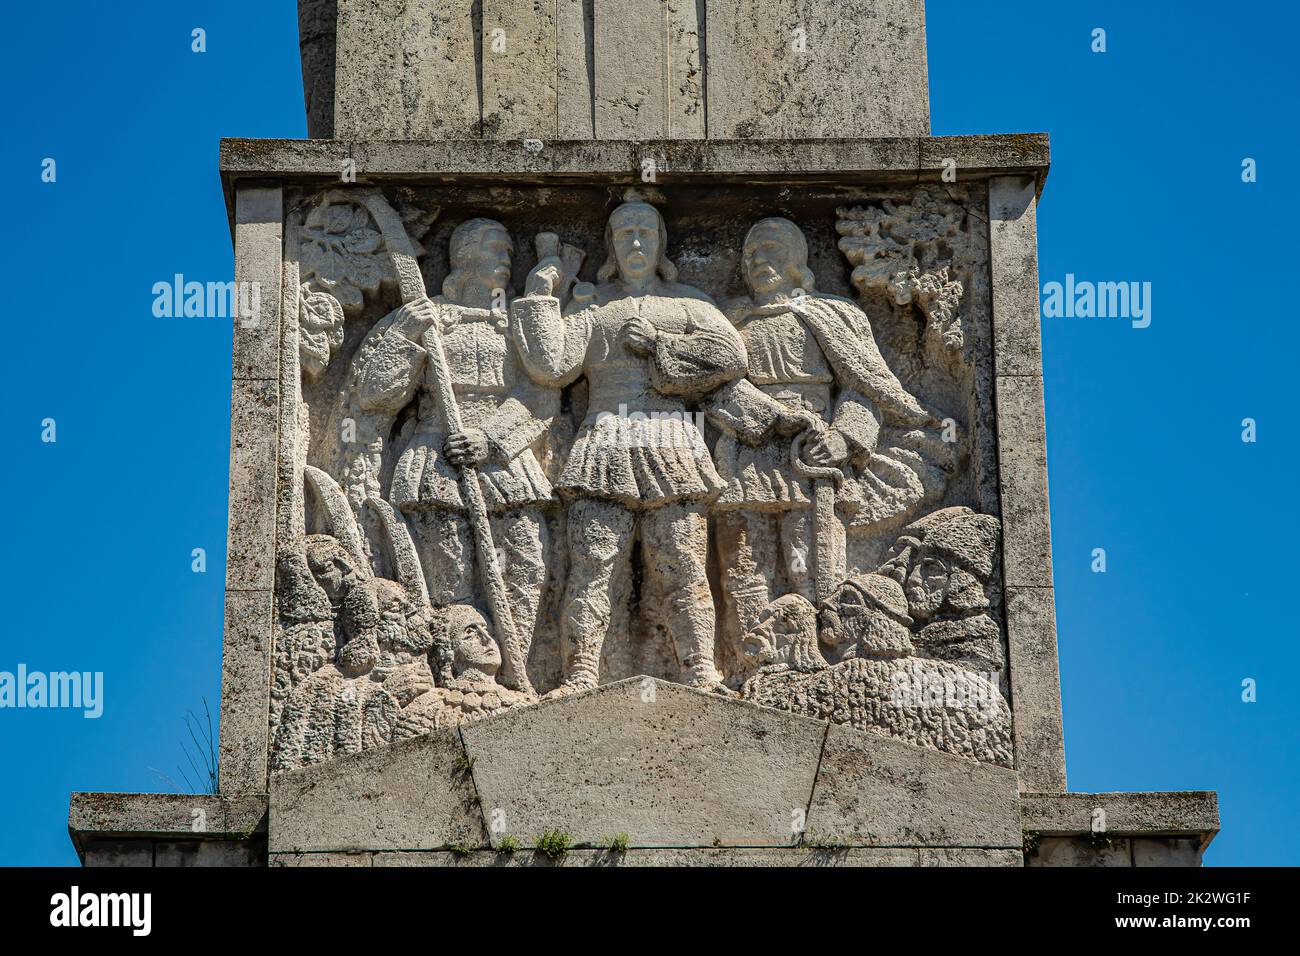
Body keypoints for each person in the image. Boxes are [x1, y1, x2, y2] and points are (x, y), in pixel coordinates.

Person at [510, 200, 748, 694]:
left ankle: (700, 669)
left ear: (662, 243)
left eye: (644, 233)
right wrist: (540, 293)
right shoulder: (594, 309)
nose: (635, 243)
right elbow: (550, 367)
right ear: (612, 248)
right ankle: (579, 674)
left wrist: (661, 343)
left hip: (670, 440)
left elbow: (731, 357)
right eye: (624, 235)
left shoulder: (689, 303)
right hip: (604, 443)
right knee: (593, 565)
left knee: (682, 562)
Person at [356, 219, 556, 691]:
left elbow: (542, 396)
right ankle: (461, 674)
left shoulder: (518, 321)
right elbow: (375, 395)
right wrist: (406, 335)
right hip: (437, 461)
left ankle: (513, 676)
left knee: (526, 565)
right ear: (462, 257)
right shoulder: (430, 317)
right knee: (453, 576)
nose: (506, 257)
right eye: (493, 247)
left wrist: (492, 438)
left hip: (507, 460)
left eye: (509, 248)